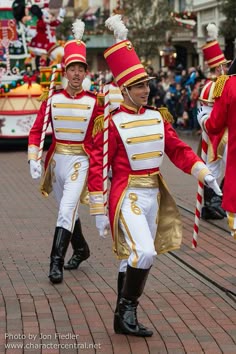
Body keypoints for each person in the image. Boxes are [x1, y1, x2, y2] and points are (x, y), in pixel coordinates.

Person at [89, 14, 222, 338]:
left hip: (153, 194)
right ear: (125, 88)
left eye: (146, 84)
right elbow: (97, 163)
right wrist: (98, 209)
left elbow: (177, 150)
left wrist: (202, 171)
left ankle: (122, 319)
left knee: (130, 257)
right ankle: (128, 309)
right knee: (145, 252)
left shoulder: (157, 117)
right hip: (126, 195)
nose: (146, 90)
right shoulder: (112, 122)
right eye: (138, 86)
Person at [28, 19, 105, 284]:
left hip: (79, 162)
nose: (75, 73)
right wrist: (33, 157)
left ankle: (55, 263)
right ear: (65, 71)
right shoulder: (52, 99)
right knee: (67, 210)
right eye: (72, 68)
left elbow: (99, 138)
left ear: (85, 73)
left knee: (67, 209)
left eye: (80, 69)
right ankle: (81, 249)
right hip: (56, 161)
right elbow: (37, 130)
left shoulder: (95, 103)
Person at [197, 58, 236, 240]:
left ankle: (215, 201)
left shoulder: (227, 85)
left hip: (225, 136)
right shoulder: (217, 85)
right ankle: (212, 201)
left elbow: (214, 123)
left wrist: (203, 120)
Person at [198, 23, 230, 220]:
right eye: (224, 65)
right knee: (213, 169)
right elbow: (204, 114)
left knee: (217, 168)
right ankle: (212, 202)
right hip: (218, 134)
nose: (226, 68)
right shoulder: (212, 86)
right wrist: (210, 126)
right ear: (218, 67)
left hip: (225, 132)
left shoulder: (224, 83)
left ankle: (219, 199)